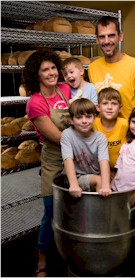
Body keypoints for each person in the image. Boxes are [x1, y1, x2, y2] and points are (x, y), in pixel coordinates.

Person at [22, 49, 72, 277]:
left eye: (53, 67)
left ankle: (71, 253)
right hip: (54, 160)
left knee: (74, 209)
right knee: (51, 212)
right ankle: (42, 259)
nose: (51, 73)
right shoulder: (35, 103)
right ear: (36, 74)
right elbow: (58, 138)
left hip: (76, 156)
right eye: (45, 70)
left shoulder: (65, 89)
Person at [88, 16, 135, 120]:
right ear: (97, 40)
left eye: (111, 36)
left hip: (129, 132)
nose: (106, 41)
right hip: (101, 133)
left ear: (120, 37)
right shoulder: (92, 67)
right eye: (102, 37)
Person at [60, 98, 112, 198]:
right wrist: (74, 184)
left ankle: (101, 211)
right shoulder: (67, 134)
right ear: (71, 120)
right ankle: (97, 213)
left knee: (107, 180)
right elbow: (68, 160)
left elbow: (104, 160)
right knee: (99, 180)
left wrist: (106, 186)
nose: (84, 121)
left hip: (94, 175)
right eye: (79, 117)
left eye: (88, 117)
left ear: (95, 118)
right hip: (75, 177)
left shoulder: (100, 137)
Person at [93, 87, 128, 177]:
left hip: (122, 170)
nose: (109, 107)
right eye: (105, 103)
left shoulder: (125, 124)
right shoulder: (92, 124)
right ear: (98, 107)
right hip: (97, 170)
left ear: (120, 108)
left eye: (114, 104)